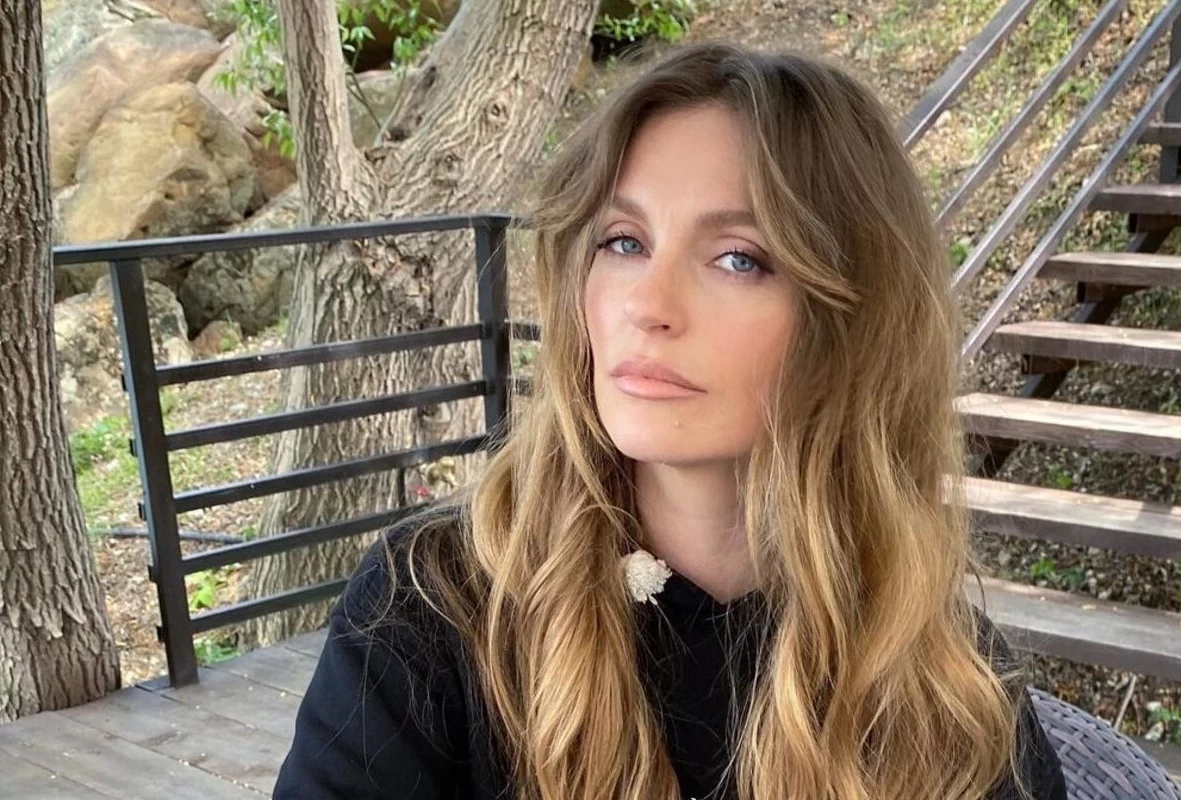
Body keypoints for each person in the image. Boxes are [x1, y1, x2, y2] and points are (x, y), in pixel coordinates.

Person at [274, 42, 1068, 800]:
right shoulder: (433, 604)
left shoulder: (945, 684)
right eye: (623, 242)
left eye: (739, 258)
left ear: (854, 322)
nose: (647, 304)